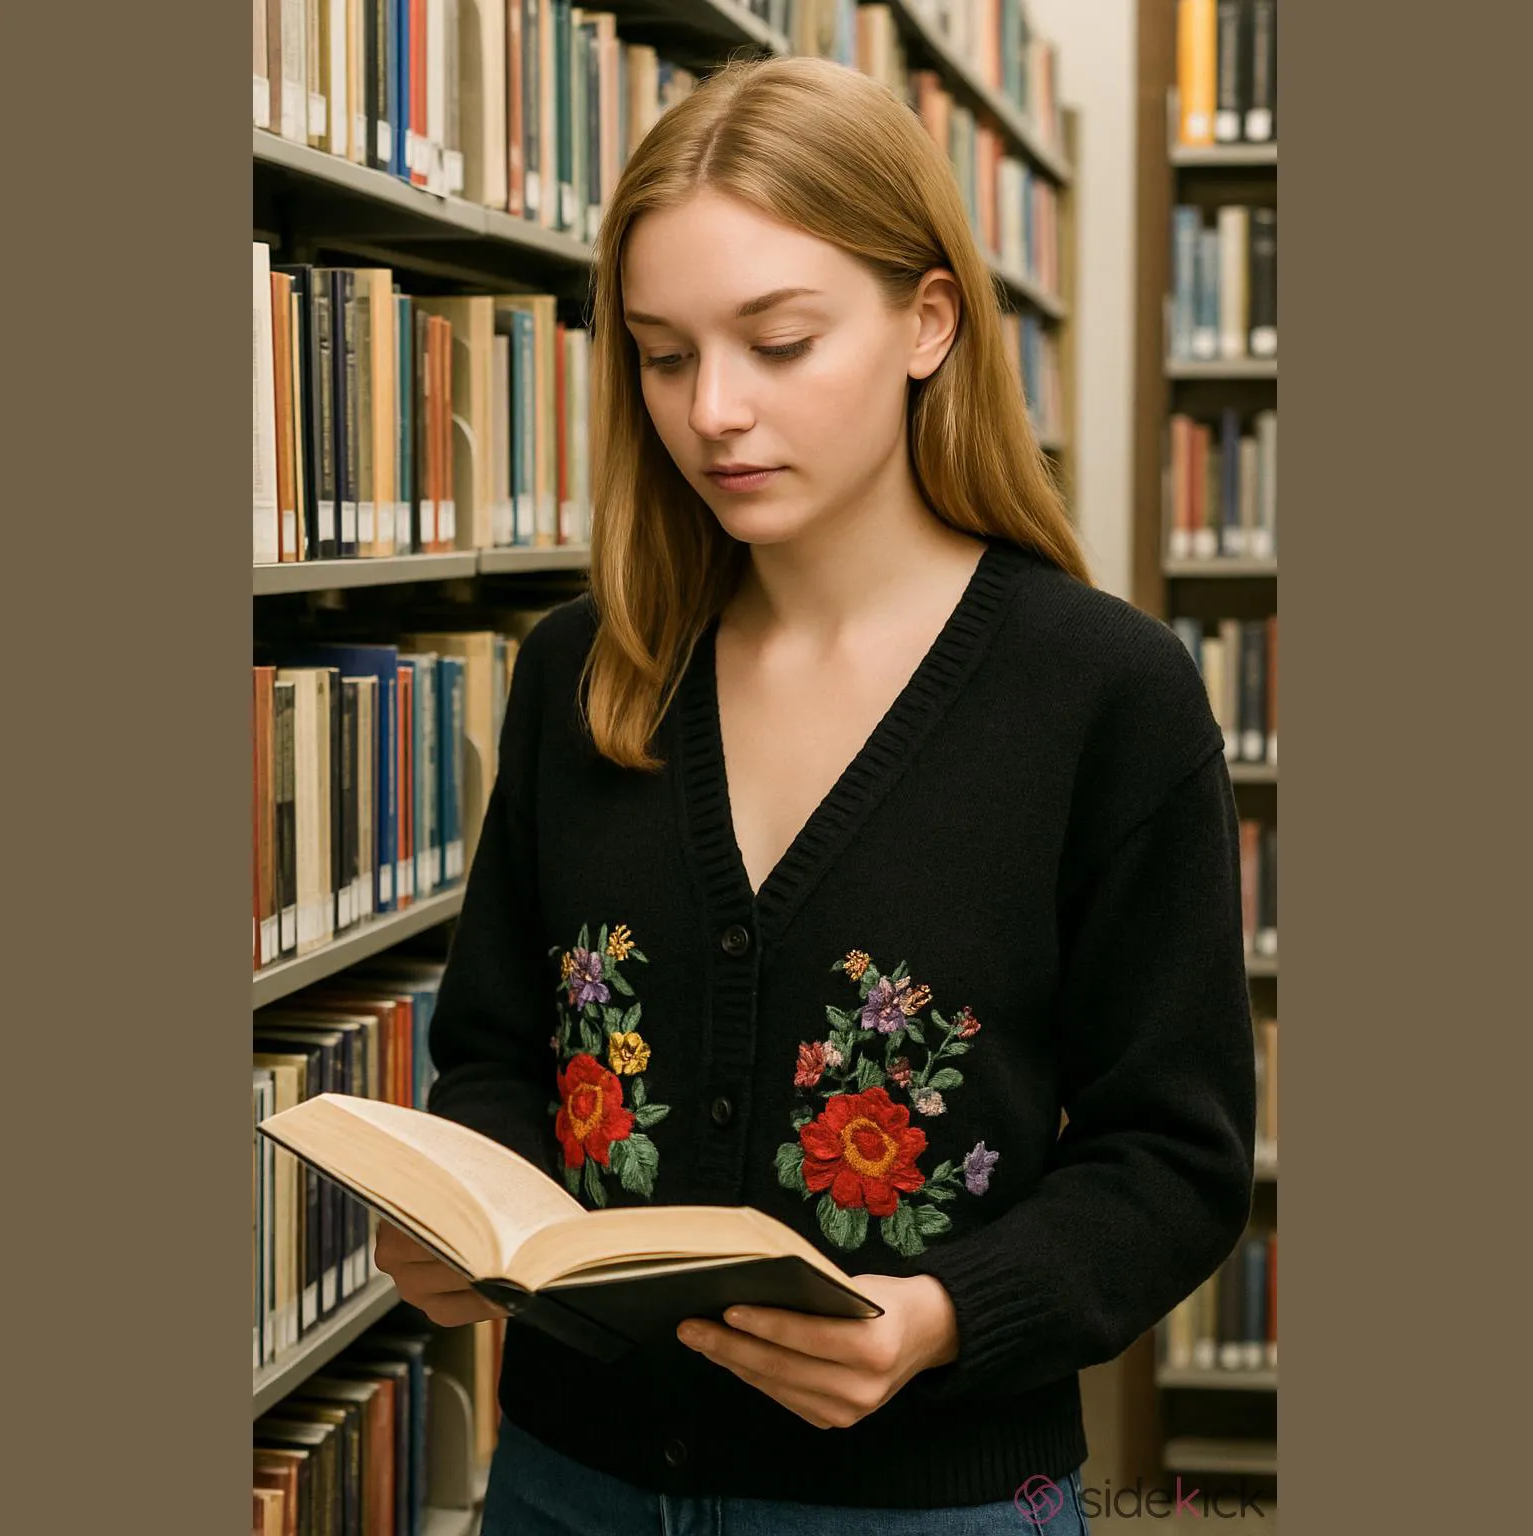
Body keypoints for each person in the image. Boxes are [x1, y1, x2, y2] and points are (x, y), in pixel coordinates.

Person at [374, 52, 1256, 1536]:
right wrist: (479, 1221)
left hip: (927, 1503)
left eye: (778, 343)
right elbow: (496, 1052)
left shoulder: (1103, 695)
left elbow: (1172, 1156)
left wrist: (940, 1317)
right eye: (663, 355)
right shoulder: (587, 670)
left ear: (928, 321)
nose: (714, 409)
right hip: (564, 1485)